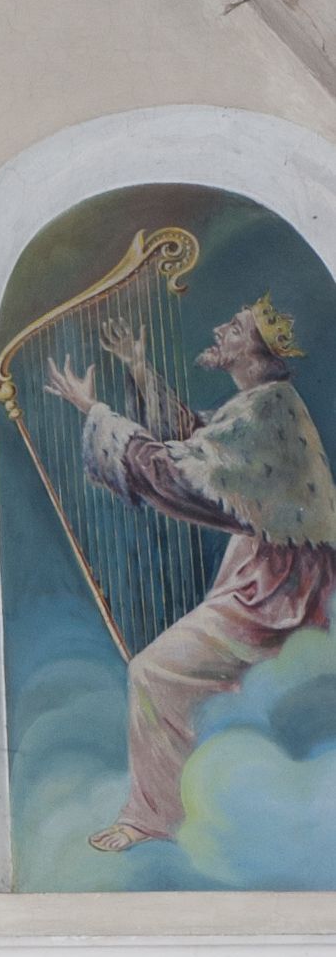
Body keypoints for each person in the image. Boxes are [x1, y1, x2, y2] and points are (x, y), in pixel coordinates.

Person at [46, 297, 336, 850]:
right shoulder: (264, 406)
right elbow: (201, 447)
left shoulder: (266, 411)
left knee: (152, 672)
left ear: (257, 353)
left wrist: (95, 411)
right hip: (275, 575)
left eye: (235, 326)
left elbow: (177, 475)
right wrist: (138, 369)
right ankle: (205, 803)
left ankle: (155, 819)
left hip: (280, 592)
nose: (220, 328)